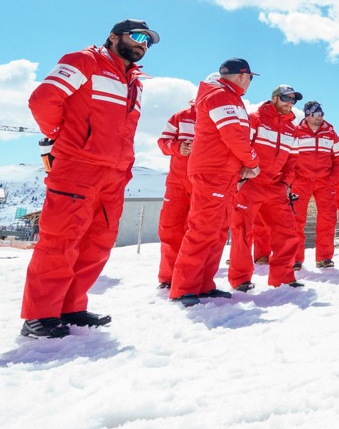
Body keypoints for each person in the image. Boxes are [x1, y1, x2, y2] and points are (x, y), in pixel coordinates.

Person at [20, 19, 158, 337]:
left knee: (97, 244)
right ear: (113, 36)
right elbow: (43, 99)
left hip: (115, 173)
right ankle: (39, 316)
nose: (142, 44)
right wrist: (61, 137)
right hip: (78, 166)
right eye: (137, 36)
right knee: (61, 241)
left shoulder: (134, 82)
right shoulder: (84, 61)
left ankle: (70, 308)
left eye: (147, 41)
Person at [170, 59, 261, 306]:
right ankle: (183, 287)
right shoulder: (220, 96)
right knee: (202, 229)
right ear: (242, 76)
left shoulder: (231, 97)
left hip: (226, 173)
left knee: (219, 231)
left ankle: (203, 284)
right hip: (213, 172)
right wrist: (252, 162)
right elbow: (233, 136)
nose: (250, 82)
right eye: (250, 77)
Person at [227, 84, 304, 292]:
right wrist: (241, 178)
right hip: (251, 185)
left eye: (293, 100)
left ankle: (284, 278)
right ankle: (241, 279)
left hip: (276, 187)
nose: (290, 103)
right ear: (275, 98)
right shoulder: (255, 119)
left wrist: (286, 183)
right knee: (242, 232)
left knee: (287, 232)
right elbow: (241, 147)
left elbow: (292, 161)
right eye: (286, 98)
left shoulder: (292, 129)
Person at [292, 100, 339, 269]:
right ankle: (295, 259)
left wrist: (332, 179)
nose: (319, 118)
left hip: (324, 182)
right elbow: (289, 157)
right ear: (307, 115)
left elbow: (338, 158)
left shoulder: (330, 133)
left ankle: (324, 258)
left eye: (321, 114)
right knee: (296, 219)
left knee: (328, 219)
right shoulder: (296, 132)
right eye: (315, 114)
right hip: (301, 181)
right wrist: (293, 178)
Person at [156, 100, 196, 289]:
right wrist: (178, 147)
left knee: (197, 232)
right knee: (170, 229)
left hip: (202, 184)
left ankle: (188, 279)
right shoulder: (181, 116)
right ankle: (168, 279)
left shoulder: (219, 116)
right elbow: (163, 142)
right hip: (177, 183)